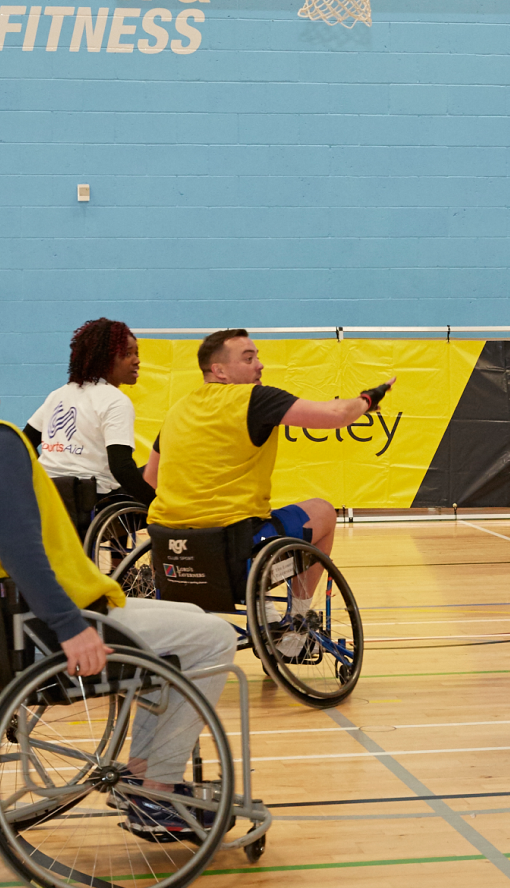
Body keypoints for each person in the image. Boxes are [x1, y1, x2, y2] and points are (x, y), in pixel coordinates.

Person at [0, 411, 239, 841]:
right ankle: (157, 790)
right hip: (49, 624)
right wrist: (69, 626)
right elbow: (18, 546)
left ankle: (141, 775)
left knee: (191, 619)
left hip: (34, 618)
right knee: (215, 638)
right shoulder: (1, 441)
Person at [146, 329, 393, 621]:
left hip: (169, 555)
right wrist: (368, 398)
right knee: (323, 512)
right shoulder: (253, 398)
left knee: (263, 525)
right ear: (219, 370)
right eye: (249, 358)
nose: (260, 365)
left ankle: (265, 607)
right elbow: (336, 414)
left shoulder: (177, 409)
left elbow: (152, 477)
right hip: (233, 553)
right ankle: (296, 627)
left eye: (257, 357)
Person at [24, 318, 155, 520]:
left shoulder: (58, 394)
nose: (137, 360)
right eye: (127, 354)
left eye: (137, 353)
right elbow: (121, 467)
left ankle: (118, 552)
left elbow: (24, 444)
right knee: (164, 467)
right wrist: (155, 504)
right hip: (96, 503)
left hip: (49, 498)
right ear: (105, 358)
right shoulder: (115, 400)